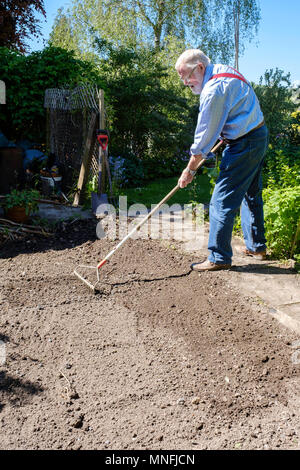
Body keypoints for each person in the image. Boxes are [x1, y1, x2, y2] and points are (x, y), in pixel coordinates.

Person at [175, 49, 269, 271]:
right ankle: (257, 246)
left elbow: (204, 138)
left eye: (187, 76)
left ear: (200, 67)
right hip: (257, 135)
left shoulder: (213, 90)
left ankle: (218, 257)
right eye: (182, 78)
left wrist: (189, 170)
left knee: (221, 200)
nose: (185, 82)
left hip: (244, 143)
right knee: (251, 193)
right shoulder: (223, 71)